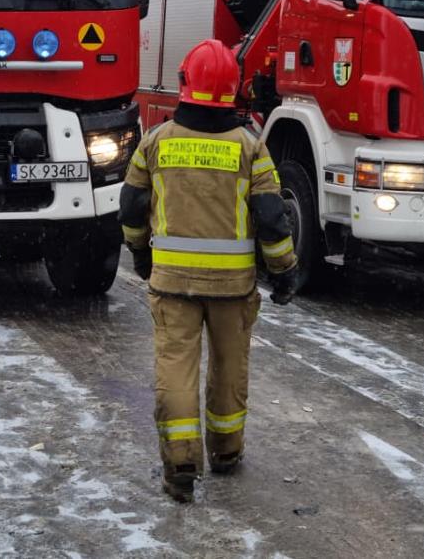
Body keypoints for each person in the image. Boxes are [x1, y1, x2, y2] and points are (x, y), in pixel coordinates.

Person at [119, 38, 299, 503]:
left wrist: (140, 254)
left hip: (173, 284)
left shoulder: (156, 143)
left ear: (185, 84)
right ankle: (225, 451)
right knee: (229, 368)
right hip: (232, 288)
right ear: (232, 90)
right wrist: (284, 271)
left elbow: (132, 207)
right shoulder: (250, 149)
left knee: (175, 371)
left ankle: (180, 464)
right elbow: (271, 218)